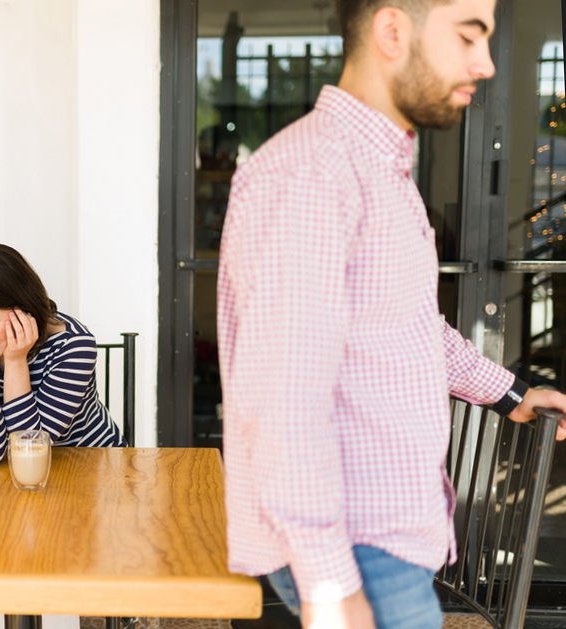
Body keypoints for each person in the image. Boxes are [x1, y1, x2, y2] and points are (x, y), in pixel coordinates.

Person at [216, 1, 566, 628]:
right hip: (356, 550)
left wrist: (509, 390)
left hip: (387, 542)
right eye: (469, 34)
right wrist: (329, 586)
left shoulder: (380, 170)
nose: (485, 63)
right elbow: (283, 401)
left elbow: (408, 325)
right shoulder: (310, 174)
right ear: (392, 29)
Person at [0, 243, 126, 466]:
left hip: (91, 464)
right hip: (13, 473)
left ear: (24, 306)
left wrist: (15, 360)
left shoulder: (74, 346)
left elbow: (29, 446)